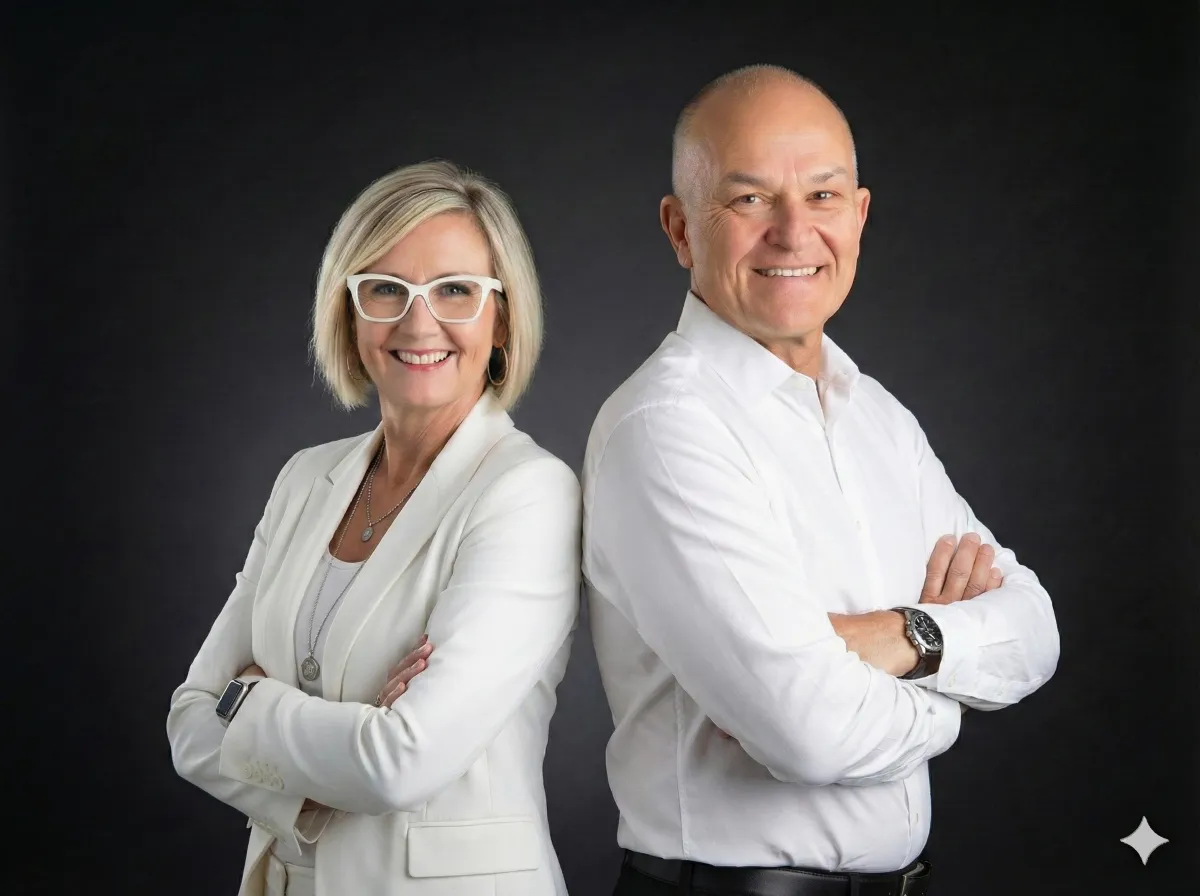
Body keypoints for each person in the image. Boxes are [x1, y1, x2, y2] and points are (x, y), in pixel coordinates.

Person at [583, 65, 1061, 895]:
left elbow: (1037, 629)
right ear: (680, 229)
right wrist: (951, 684)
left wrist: (902, 638)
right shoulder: (665, 428)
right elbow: (811, 732)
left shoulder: (876, 415)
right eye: (749, 200)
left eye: (824, 196)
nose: (794, 232)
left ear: (861, 215)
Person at [167, 159, 581, 896]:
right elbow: (187, 725)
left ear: (503, 317)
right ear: (349, 313)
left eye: (456, 290)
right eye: (386, 289)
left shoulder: (528, 492)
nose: (419, 322)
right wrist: (335, 749)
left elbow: (401, 762)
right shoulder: (305, 479)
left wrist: (248, 705)